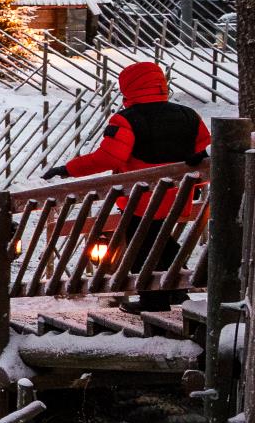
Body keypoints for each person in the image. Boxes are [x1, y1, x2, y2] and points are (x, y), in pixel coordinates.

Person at [45, 61, 210, 310]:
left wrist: (68, 169)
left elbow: (109, 157)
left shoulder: (126, 120)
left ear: (129, 87)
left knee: (141, 246)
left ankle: (152, 300)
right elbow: (204, 153)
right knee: (162, 241)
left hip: (140, 196)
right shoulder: (189, 115)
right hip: (178, 194)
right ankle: (176, 292)